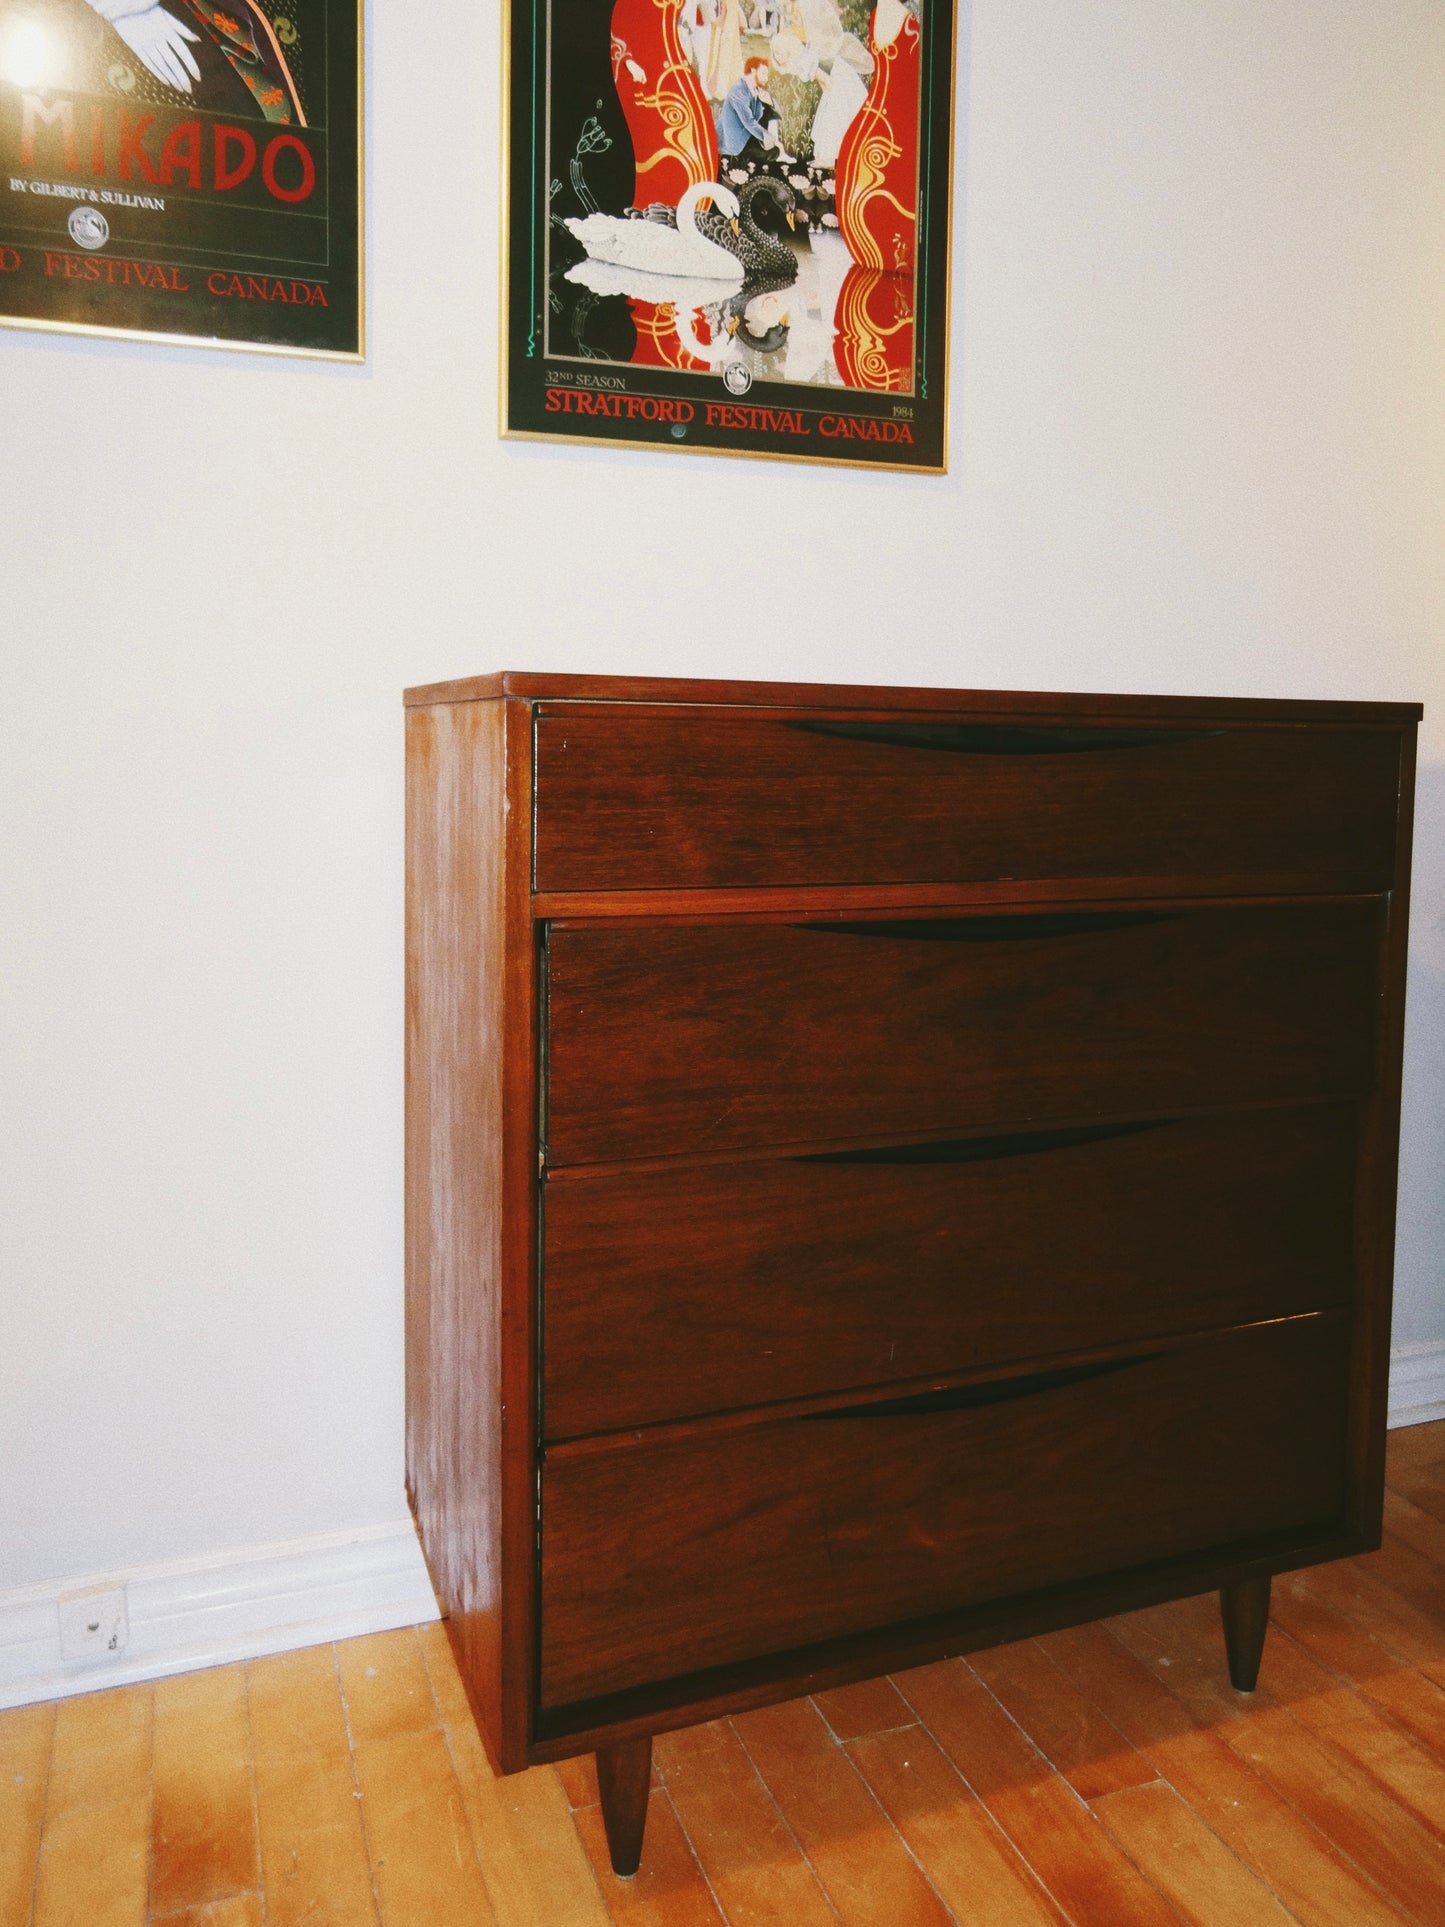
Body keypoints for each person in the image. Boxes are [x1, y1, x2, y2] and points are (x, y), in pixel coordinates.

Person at [716, 57, 781, 162]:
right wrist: (773, 141)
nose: (766, 78)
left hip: (748, 137)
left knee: (775, 150)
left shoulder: (755, 89)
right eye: (763, 73)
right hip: (734, 144)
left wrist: (770, 102)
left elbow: (772, 113)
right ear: (753, 70)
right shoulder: (738, 92)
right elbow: (749, 122)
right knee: (774, 152)